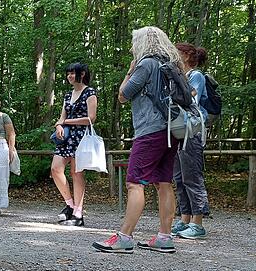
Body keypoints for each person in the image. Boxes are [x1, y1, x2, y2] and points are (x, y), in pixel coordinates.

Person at [93, 26, 181, 254]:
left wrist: (130, 72)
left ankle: (125, 237)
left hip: (150, 131)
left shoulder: (147, 64)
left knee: (135, 182)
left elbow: (123, 95)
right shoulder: (172, 65)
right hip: (172, 130)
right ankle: (164, 237)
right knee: (163, 183)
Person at [50, 63, 98, 226]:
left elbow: (91, 118)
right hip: (66, 136)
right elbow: (61, 117)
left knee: (77, 173)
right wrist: (58, 125)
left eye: (72, 73)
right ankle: (70, 205)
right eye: (68, 74)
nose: (69, 76)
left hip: (81, 136)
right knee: (56, 169)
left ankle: (78, 213)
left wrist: (67, 121)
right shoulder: (67, 95)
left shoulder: (90, 92)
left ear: (82, 74)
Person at [171, 43, 210, 240]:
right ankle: (184, 218)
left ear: (186, 56)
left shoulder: (196, 76)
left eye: (176, 54)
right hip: (178, 131)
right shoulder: (180, 77)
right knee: (179, 177)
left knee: (192, 176)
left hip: (192, 131)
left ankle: (198, 222)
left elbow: (190, 96)